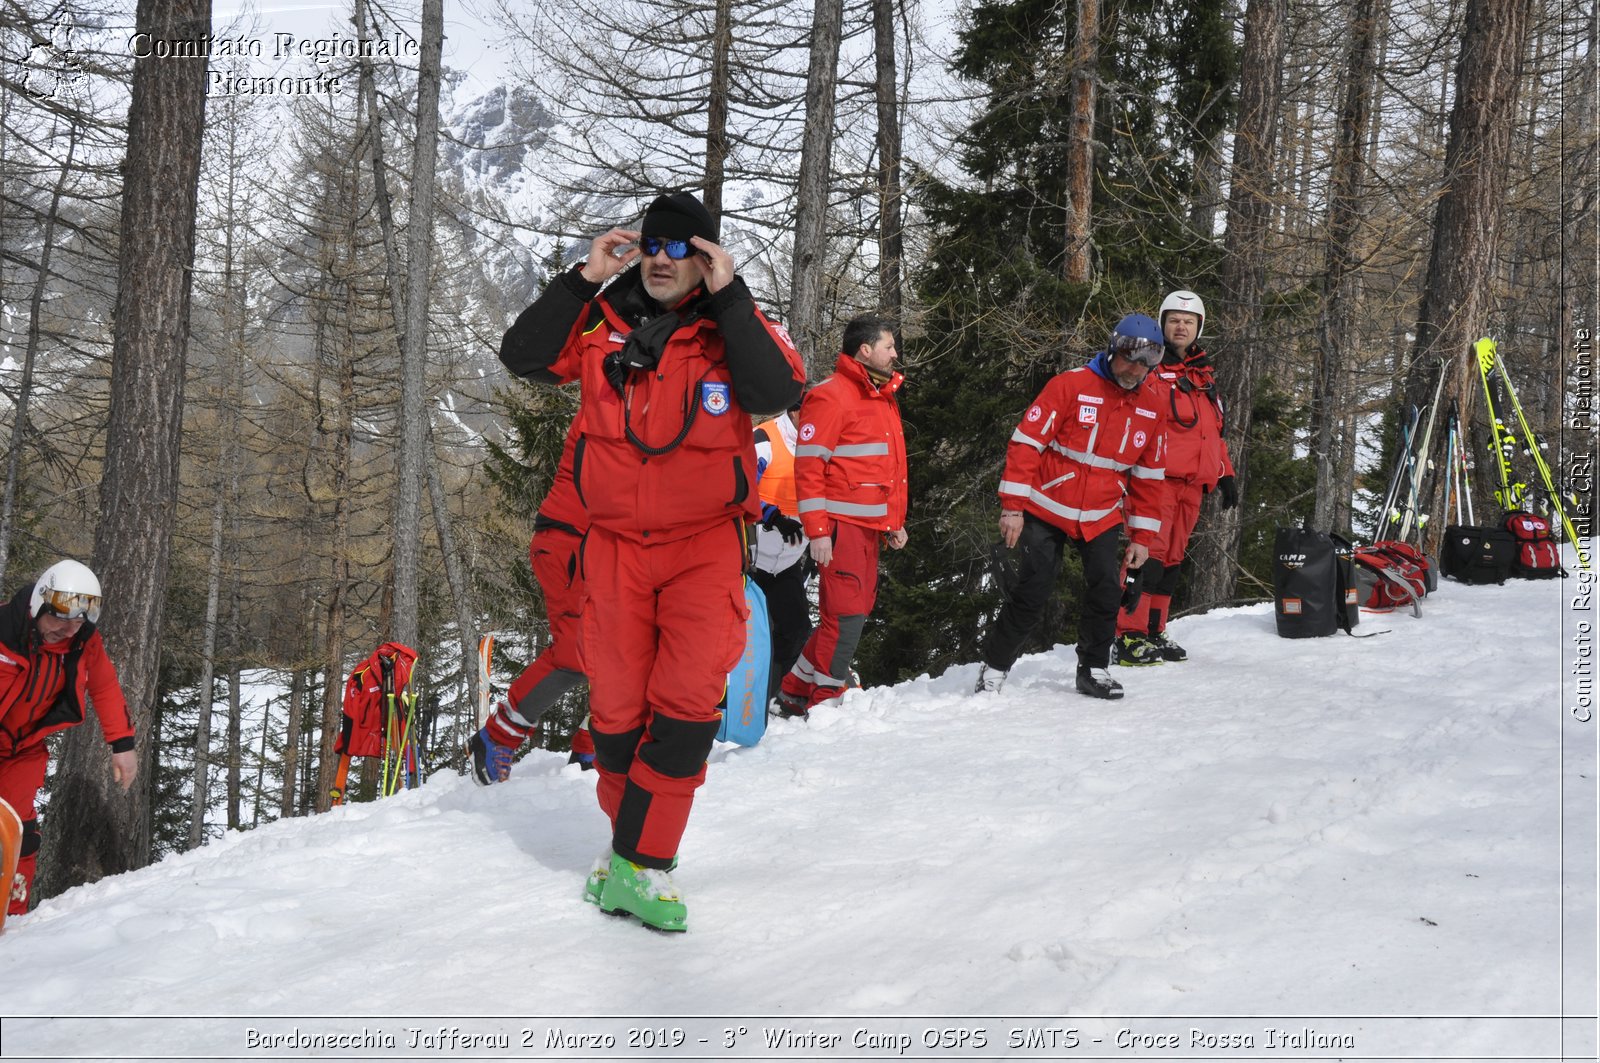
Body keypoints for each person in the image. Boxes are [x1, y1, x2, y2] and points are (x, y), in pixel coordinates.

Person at [498, 191, 804, 931]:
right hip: (611, 552)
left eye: (681, 248)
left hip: (701, 549)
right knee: (616, 715)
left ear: (705, 258)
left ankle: (644, 864)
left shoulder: (735, 330)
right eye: (652, 245)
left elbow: (778, 389)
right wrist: (583, 278)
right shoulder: (603, 327)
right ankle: (629, 851)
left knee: (688, 704)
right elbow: (523, 354)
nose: (662, 260)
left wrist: (731, 296)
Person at [973, 314, 1169, 700]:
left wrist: (1142, 537)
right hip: (1047, 506)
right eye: (1130, 359)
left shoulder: (1152, 405)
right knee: (1034, 587)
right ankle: (994, 667)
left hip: (1101, 513)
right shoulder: (1071, 385)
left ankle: (1094, 668)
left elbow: (1148, 478)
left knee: (1105, 590)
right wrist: (1012, 507)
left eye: (1146, 364)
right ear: (1114, 349)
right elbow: (1026, 443)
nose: (1136, 370)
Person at [774, 315, 909, 717]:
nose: (895, 353)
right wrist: (818, 532)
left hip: (869, 530)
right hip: (839, 530)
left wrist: (893, 522)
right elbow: (809, 468)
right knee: (845, 617)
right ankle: (826, 703)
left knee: (855, 610)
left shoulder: (881, 396)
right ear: (865, 350)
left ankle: (795, 689)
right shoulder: (830, 396)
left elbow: (884, 471)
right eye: (889, 346)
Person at [0, 560, 137, 917]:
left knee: (19, 831)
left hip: (23, 750)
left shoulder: (82, 643)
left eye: (77, 624)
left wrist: (122, 745)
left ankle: (11, 914)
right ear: (38, 607)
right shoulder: (4, 630)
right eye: (59, 622)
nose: (67, 631)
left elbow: (104, 686)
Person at [467, 416, 591, 784]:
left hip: (588, 543)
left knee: (623, 650)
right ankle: (496, 737)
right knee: (575, 654)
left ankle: (593, 745)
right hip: (571, 544)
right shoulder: (612, 404)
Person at [1114, 290, 1236, 665]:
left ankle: (1154, 628)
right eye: (1173, 320)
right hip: (1156, 480)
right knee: (1145, 554)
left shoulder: (1203, 377)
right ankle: (1128, 633)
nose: (1180, 327)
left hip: (1192, 485)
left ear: (1198, 328)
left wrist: (1226, 473)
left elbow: (1212, 433)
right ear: (1163, 325)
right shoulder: (1150, 371)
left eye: (1188, 322)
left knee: (1172, 560)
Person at [751, 400, 813, 709]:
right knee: (747, 635)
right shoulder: (765, 437)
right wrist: (772, 516)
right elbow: (740, 486)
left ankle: (773, 699)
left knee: (797, 629)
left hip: (788, 560)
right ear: (797, 410)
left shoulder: (819, 442)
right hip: (751, 560)